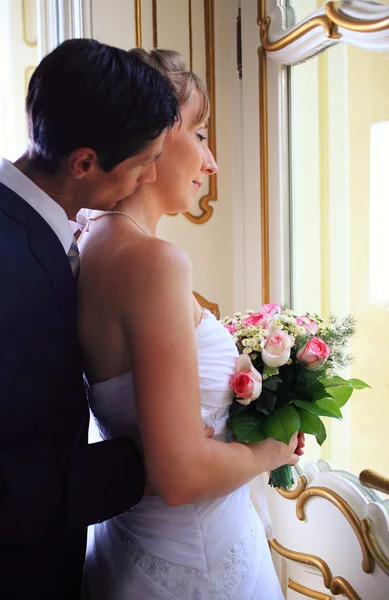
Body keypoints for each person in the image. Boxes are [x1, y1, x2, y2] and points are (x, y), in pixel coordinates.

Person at [80, 49, 304, 600]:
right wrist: (273, 450)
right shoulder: (152, 262)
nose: (211, 163)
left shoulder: (91, 243)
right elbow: (178, 476)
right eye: (200, 135)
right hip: (192, 569)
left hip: (134, 551)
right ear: (157, 132)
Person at [0, 38, 179, 600]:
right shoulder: (9, 268)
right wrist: (133, 467)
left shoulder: (49, 232)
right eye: (144, 162)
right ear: (83, 162)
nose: (149, 177)